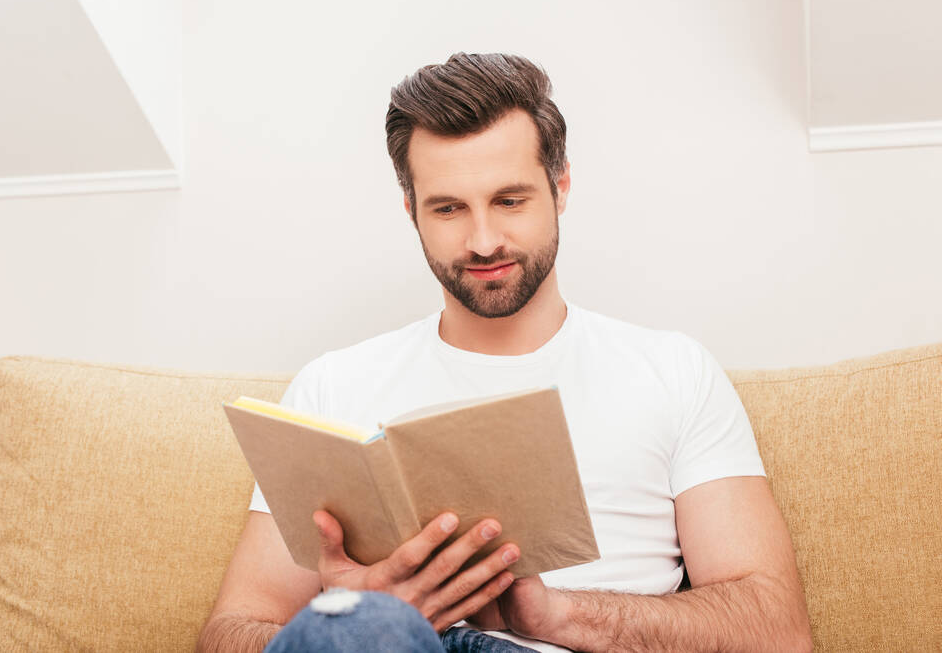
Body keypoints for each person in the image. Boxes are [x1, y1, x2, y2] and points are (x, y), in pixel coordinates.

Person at [197, 53, 812, 652]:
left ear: (560, 184)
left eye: (509, 201)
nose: (484, 240)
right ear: (411, 210)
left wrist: (557, 616)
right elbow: (229, 632)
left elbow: (777, 632)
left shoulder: (674, 372)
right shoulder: (333, 387)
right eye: (449, 209)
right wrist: (361, 619)